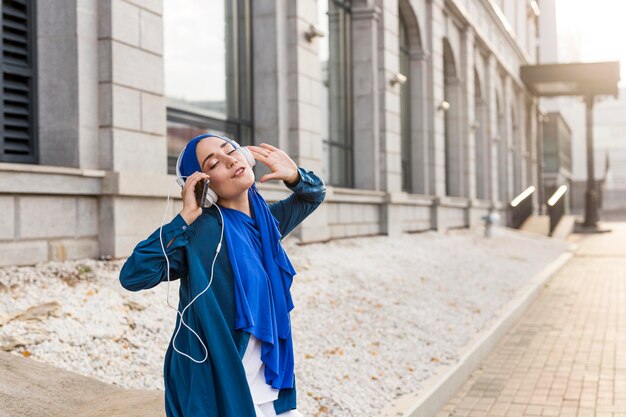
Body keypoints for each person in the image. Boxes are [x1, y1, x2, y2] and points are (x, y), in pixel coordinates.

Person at [119, 134, 326, 417]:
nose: (230, 160)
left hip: (264, 378)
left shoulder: (267, 221)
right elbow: (133, 275)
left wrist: (294, 176)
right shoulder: (202, 233)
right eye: (214, 163)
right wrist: (184, 219)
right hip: (218, 378)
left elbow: (313, 195)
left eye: (232, 151)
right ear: (205, 185)